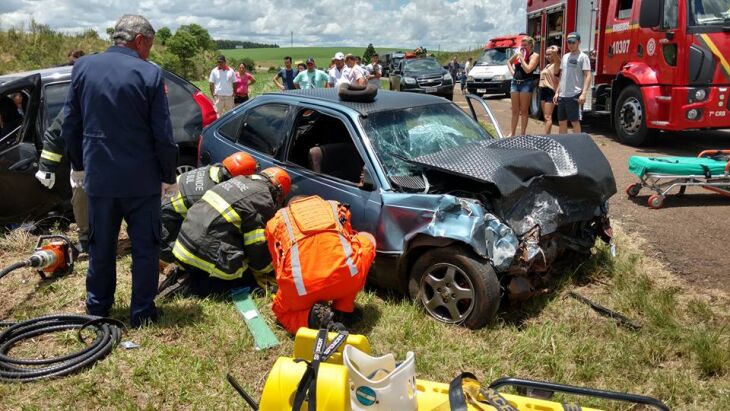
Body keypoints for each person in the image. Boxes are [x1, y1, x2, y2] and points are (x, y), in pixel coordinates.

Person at [61, 14, 178, 327]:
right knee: (144, 248)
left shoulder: (83, 67)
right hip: (142, 182)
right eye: (149, 46)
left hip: (100, 179)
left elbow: (70, 124)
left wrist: (78, 166)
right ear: (139, 40)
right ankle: (141, 313)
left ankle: (97, 308)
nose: (149, 52)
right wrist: (168, 175)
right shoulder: (150, 74)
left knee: (101, 246)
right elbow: (163, 134)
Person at [265, 195, 376, 334]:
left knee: (281, 313)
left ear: (289, 207)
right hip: (345, 279)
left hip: (301, 289)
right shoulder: (337, 208)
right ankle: (343, 310)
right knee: (366, 240)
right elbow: (349, 242)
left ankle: (311, 318)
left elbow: (279, 265)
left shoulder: (274, 223)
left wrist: (285, 293)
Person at [172, 167, 291, 296]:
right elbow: (257, 251)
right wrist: (270, 268)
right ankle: (192, 288)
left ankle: (186, 275)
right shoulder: (264, 199)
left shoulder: (239, 179)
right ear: (279, 192)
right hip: (202, 246)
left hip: (184, 238)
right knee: (245, 278)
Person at [159, 152, 258, 263]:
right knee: (195, 250)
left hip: (158, 208)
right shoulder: (211, 192)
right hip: (164, 230)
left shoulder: (211, 170)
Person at [35, 111, 90, 252]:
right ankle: (87, 240)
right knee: (81, 199)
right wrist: (47, 166)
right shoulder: (82, 91)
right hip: (86, 163)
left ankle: (142, 236)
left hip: (124, 159)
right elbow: (58, 129)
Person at [554, 32, 592, 134]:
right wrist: (557, 92)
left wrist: (584, 93)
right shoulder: (565, 57)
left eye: (573, 42)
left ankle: (578, 146)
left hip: (574, 95)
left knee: (574, 122)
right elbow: (562, 75)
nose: (570, 45)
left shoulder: (583, 57)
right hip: (562, 95)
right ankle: (563, 145)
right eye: (569, 42)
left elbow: (588, 75)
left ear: (579, 42)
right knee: (561, 122)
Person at [507, 36, 540, 136]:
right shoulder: (519, 52)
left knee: (524, 111)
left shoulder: (535, 56)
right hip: (515, 83)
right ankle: (512, 133)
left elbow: (528, 69)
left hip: (526, 83)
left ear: (531, 45)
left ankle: (522, 134)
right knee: (515, 110)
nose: (523, 47)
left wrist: (521, 58)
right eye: (522, 45)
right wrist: (513, 73)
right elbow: (509, 62)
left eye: (525, 45)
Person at [538, 46, 561, 134]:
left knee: (548, 117)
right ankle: (547, 135)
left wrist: (555, 52)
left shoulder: (557, 64)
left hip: (550, 91)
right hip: (543, 90)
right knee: (545, 117)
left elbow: (558, 60)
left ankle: (545, 138)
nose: (547, 56)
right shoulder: (548, 65)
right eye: (546, 54)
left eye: (550, 54)